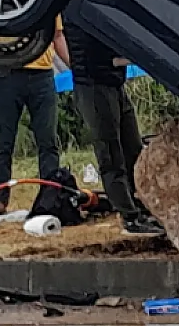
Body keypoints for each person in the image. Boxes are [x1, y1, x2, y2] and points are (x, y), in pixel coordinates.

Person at [65, 21, 165, 237]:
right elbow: (96, 58)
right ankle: (129, 216)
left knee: (133, 148)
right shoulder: (80, 14)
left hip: (114, 83)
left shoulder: (102, 12)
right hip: (94, 86)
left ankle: (141, 207)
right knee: (111, 155)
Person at [0, 18, 69, 217]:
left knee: (48, 140)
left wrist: (75, 67)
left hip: (42, 75)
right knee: (4, 140)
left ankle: (50, 197)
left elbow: (57, 35)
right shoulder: (2, 0)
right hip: (6, 72)